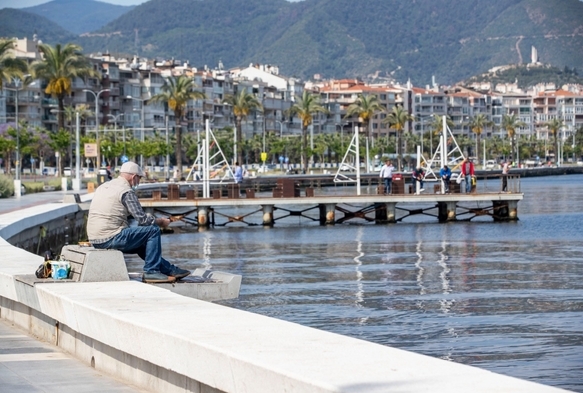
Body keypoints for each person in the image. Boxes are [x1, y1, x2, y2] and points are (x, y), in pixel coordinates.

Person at [87, 161, 191, 283]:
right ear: (134, 177)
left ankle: (170, 270)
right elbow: (142, 219)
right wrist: (161, 222)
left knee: (142, 243)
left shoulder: (104, 186)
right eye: (140, 178)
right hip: (110, 237)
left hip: (95, 239)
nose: (139, 181)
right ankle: (151, 272)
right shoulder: (126, 192)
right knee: (152, 231)